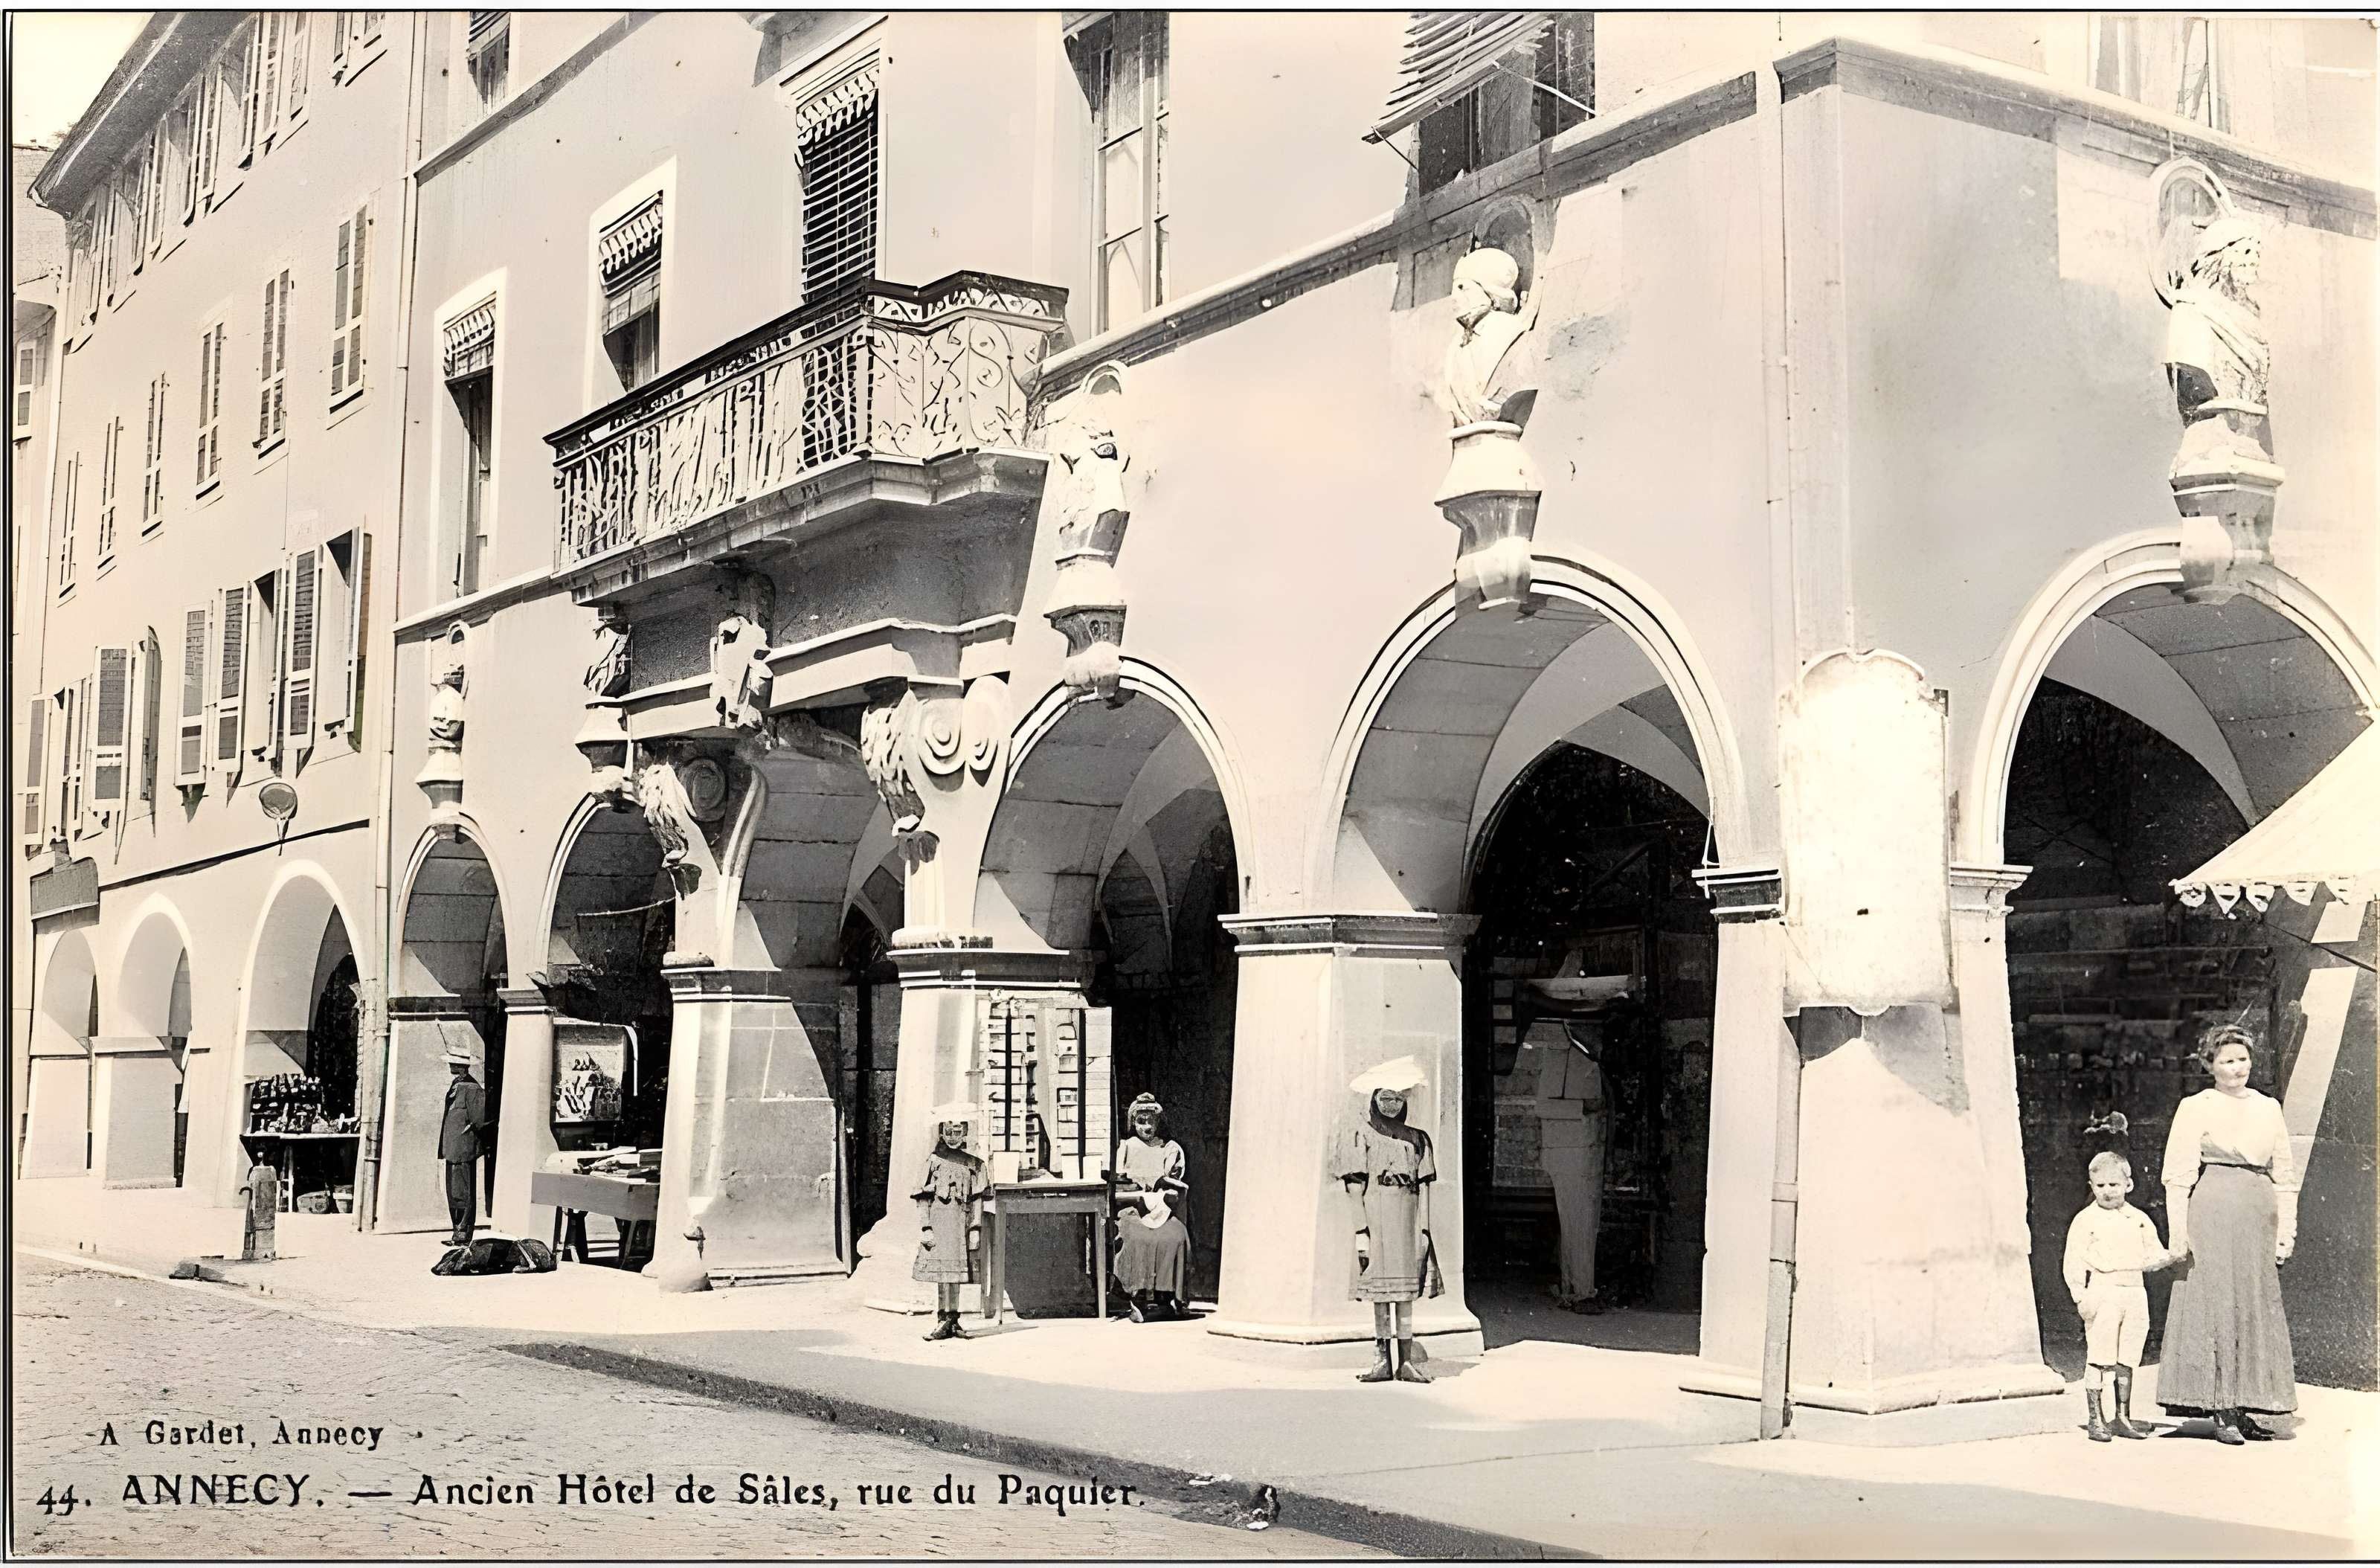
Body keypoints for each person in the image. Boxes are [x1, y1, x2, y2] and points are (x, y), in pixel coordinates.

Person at [2159, 1023, 2299, 1443]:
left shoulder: (2268, 1107)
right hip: (2213, 1209)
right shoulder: (2196, 1106)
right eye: (2227, 1061)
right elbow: (2178, 1175)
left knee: (2253, 1304)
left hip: (2258, 1213)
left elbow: (2286, 1174)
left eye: (2242, 1059)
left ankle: (2247, 1404)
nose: (2237, 1068)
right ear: (2210, 1065)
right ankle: (2221, 1409)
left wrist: (2286, 1230)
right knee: (2216, 1301)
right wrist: (2178, 1234)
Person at [1331, 1056, 1444, 1384]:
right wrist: (1361, 1231)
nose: (1392, 1105)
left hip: (1408, 1222)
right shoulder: (1361, 1135)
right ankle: (1383, 1358)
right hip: (1377, 1220)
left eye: (1398, 1099)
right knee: (1380, 1294)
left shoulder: (1419, 1139)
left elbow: (1425, 1188)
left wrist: (1424, 1229)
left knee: (1406, 1295)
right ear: (1374, 1099)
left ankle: (1406, 1361)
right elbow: (1355, 1189)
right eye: (1386, 1098)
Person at [2062, 1150, 2175, 1442]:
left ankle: (2121, 1416)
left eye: (2114, 1184)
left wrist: (2172, 1256)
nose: (2107, 1191)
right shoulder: (2086, 1220)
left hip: (2134, 1291)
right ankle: (2095, 1417)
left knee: (2128, 1355)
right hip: (2104, 1291)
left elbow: (2152, 1253)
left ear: (2129, 1184)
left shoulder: (2138, 1219)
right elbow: (2073, 1262)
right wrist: (2081, 1297)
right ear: (2091, 1186)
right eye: (2100, 1186)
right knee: (2100, 1356)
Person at [1525, 1018, 1609, 1314]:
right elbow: (1544, 1107)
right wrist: (1584, 1107)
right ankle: (1578, 1290)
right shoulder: (1560, 1058)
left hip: (1589, 1150)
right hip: (1570, 1152)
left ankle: (1580, 1288)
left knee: (1586, 1223)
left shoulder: (1590, 1060)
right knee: (1578, 1222)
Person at [1110, 1092, 1192, 1323]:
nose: (1147, 1127)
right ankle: (1137, 1298)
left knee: (1176, 1235)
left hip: (1161, 1209)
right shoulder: (1126, 1147)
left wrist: (1165, 1192)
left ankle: (1167, 1298)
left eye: (1151, 1121)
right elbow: (1118, 1189)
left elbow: (1174, 1187)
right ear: (1133, 1122)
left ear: (1159, 1122)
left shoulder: (1169, 1149)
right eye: (1141, 1121)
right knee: (1137, 1237)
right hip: (1131, 1208)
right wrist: (1136, 1194)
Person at [913, 1103, 985, 1343]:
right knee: (942, 1273)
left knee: (958, 1273)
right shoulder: (933, 1162)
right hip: (940, 1224)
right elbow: (923, 1198)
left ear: (965, 1133)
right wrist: (926, 1228)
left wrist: (975, 1227)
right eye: (949, 1131)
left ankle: (954, 1319)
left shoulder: (975, 1165)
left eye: (958, 1131)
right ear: (942, 1132)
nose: (953, 1137)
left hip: (961, 1226)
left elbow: (977, 1200)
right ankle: (942, 1318)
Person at [437, 1044, 487, 1247]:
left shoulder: (472, 1088)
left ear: (461, 1067)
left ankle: (464, 1234)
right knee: (453, 1192)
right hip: (452, 1148)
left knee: (464, 1192)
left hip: (464, 1149)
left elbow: (478, 1120)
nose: (450, 1065)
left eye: (453, 1063)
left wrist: (468, 1130)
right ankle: (456, 1231)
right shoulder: (455, 1086)